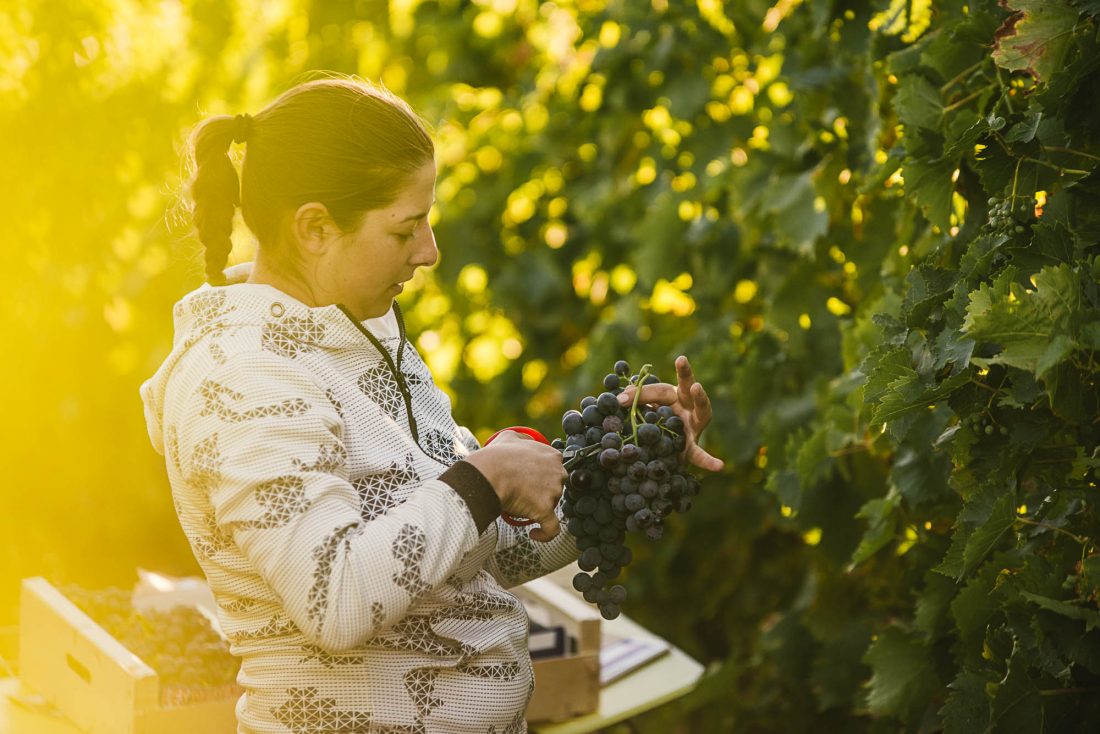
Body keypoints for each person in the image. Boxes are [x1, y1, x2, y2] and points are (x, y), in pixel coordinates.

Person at [140, 77, 722, 734]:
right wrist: (489, 475)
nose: (430, 251)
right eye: (405, 228)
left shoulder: (361, 331)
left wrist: (626, 459)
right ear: (314, 228)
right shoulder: (245, 381)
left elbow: (485, 552)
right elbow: (336, 597)